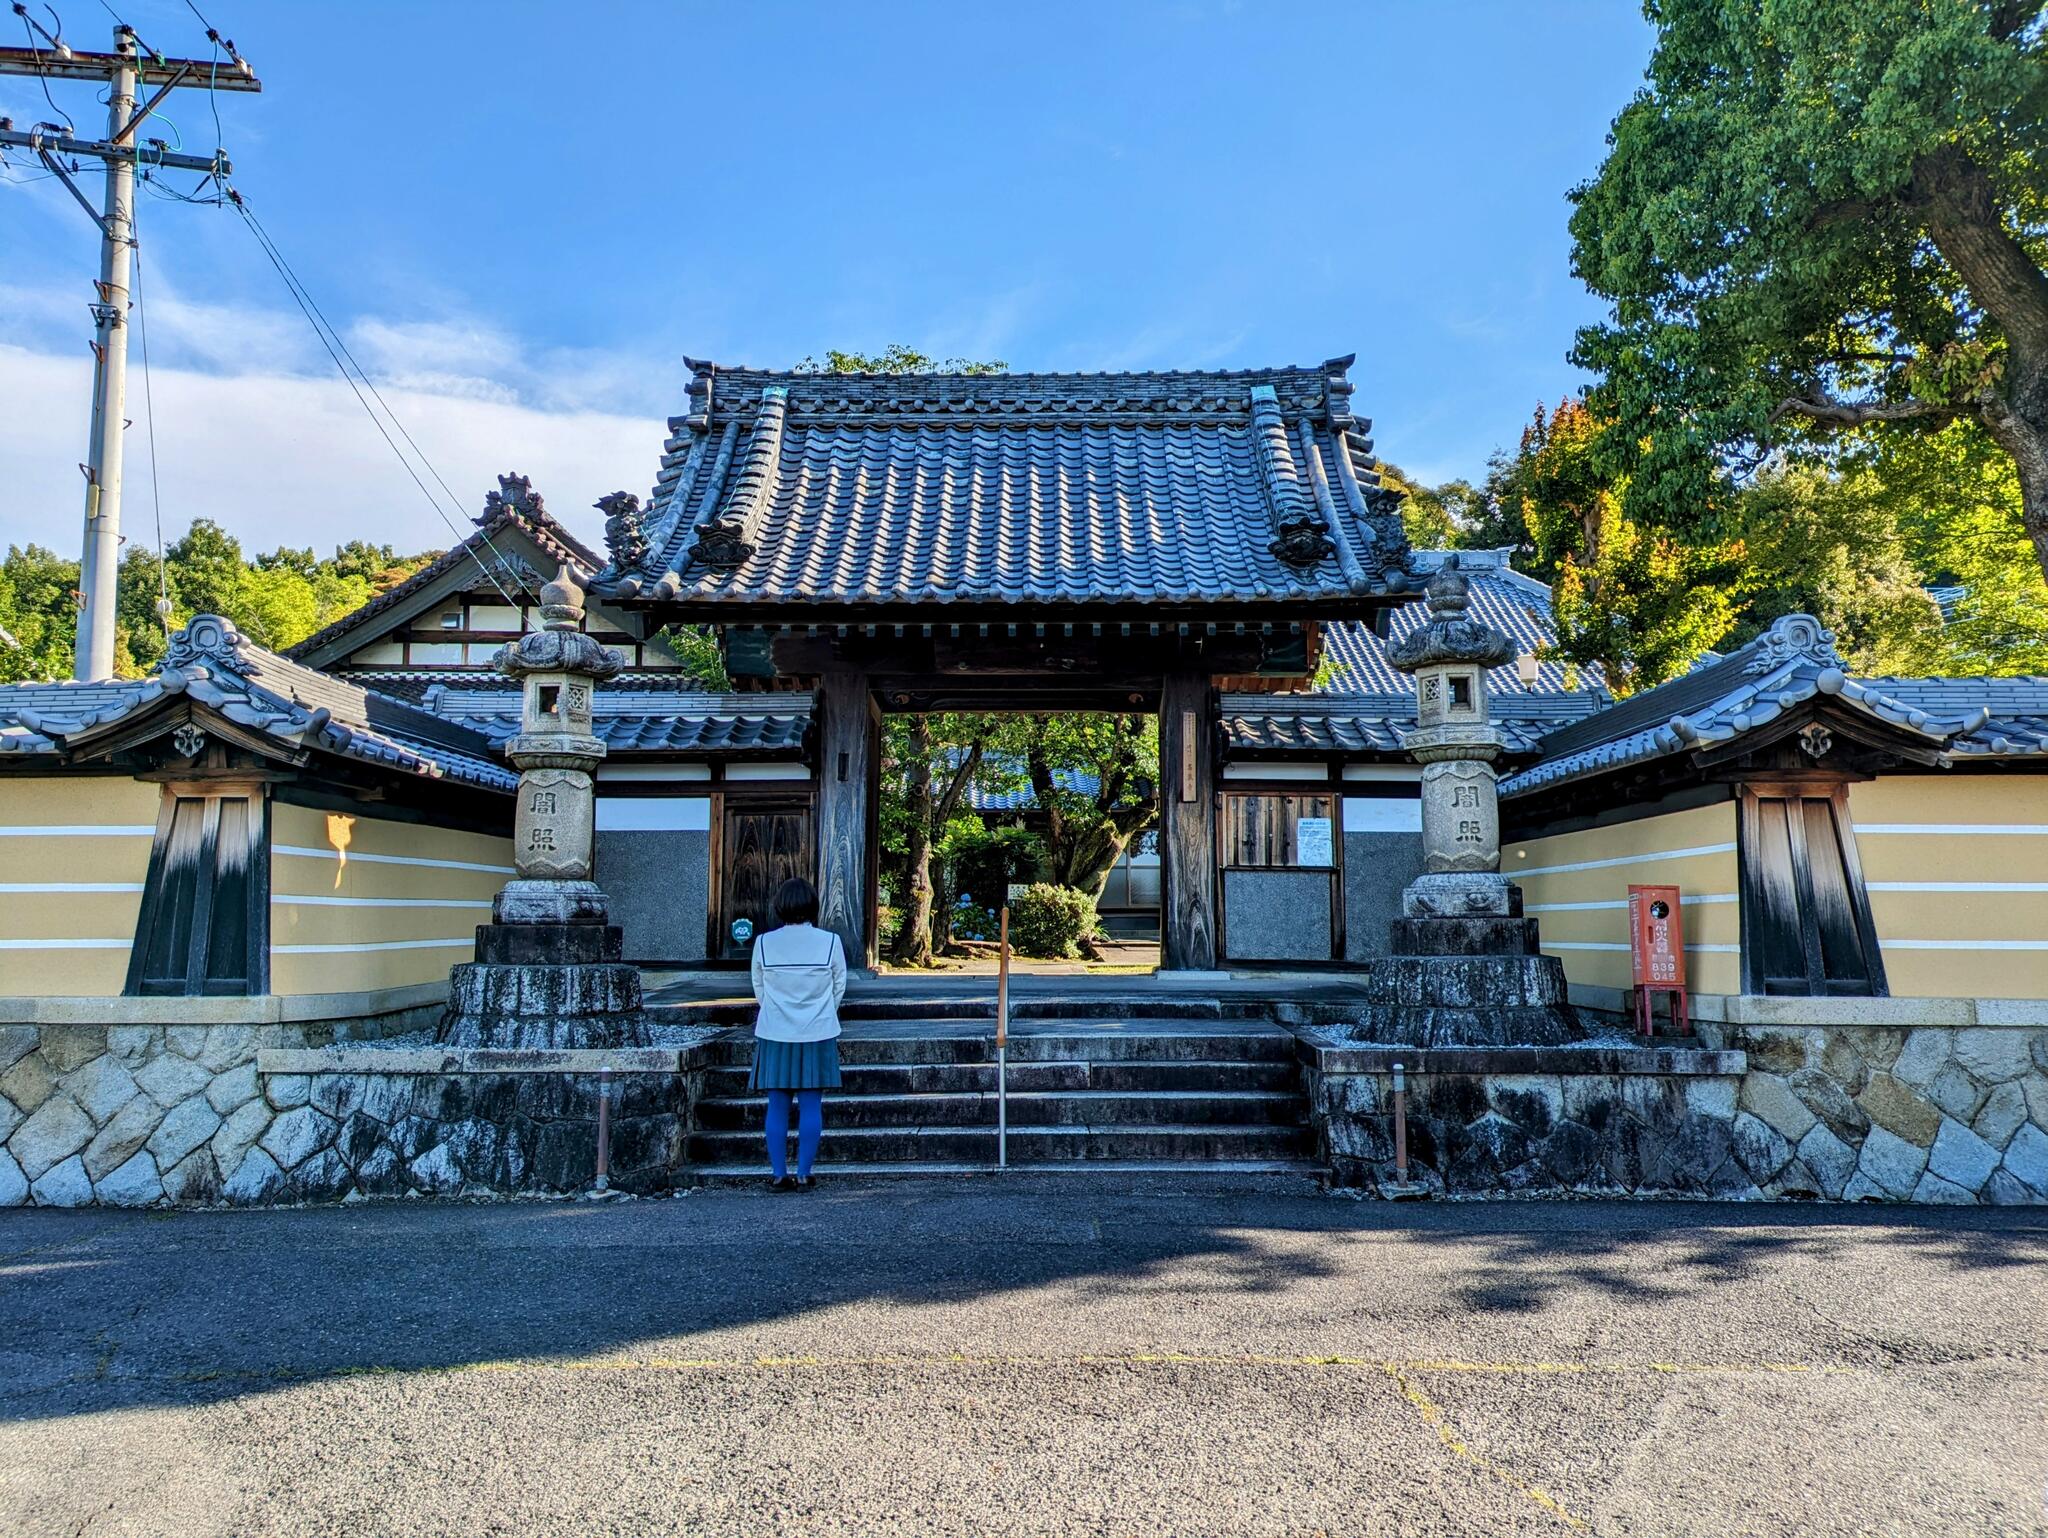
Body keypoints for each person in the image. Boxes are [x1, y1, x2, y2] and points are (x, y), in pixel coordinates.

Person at [747, 877, 846, 1191]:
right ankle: (804, 1172)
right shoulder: (830, 941)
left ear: (780, 906)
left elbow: (759, 986)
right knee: (811, 1105)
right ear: (813, 907)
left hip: (775, 1031)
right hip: (817, 1030)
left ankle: (779, 1174)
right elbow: (838, 985)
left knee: (776, 1105)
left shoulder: (764, 942)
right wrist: (821, 1010)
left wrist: (778, 1010)